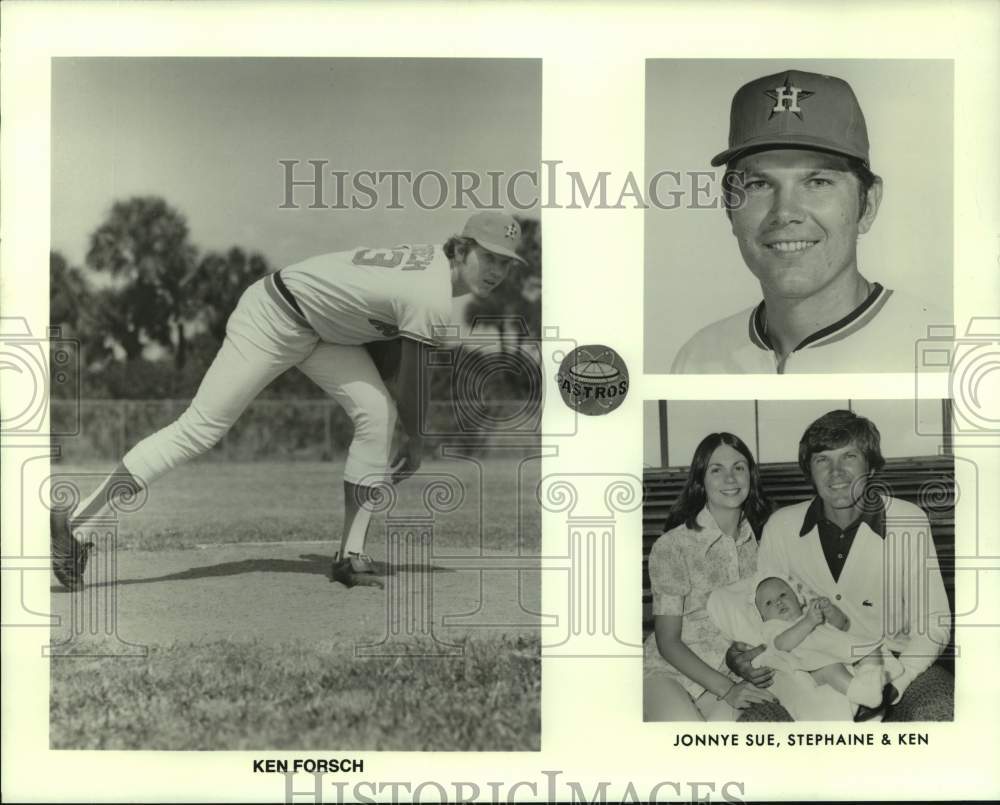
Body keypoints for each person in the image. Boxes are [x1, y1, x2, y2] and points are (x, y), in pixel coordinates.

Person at [50, 212, 527, 591]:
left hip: (321, 330)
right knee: (200, 429)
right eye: (490, 257)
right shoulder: (429, 291)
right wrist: (419, 444)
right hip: (273, 314)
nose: (498, 270)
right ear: (462, 249)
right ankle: (79, 525)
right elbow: (412, 385)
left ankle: (350, 554)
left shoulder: (426, 270)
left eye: (507, 262)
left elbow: (383, 347)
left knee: (376, 415)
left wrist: (401, 424)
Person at [671, 70, 947, 374]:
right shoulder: (697, 359)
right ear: (730, 209)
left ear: (867, 203)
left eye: (818, 182)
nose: (785, 212)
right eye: (758, 185)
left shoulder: (944, 351)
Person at [728, 410, 953, 720]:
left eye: (850, 456)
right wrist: (740, 658)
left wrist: (893, 685)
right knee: (756, 724)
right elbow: (759, 617)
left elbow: (933, 624)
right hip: (805, 671)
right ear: (810, 470)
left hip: (897, 665)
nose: (836, 472)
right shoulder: (781, 527)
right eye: (822, 459)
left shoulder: (908, 521)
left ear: (871, 465)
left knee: (940, 710)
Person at [643, 432, 775, 721]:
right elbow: (667, 642)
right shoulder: (672, 545)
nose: (730, 479)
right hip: (670, 674)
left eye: (739, 468)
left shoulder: (765, 543)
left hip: (735, 675)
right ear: (700, 480)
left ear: (750, 476)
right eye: (717, 470)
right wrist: (727, 689)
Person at [753, 575, 904, 719]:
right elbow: (782, 645)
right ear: (763, 618)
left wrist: (831, 612)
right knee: (832, 668)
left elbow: (840, 625)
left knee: (871, 650)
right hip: (811, 668)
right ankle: (863, 694)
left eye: (783, 595)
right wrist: (808, 621)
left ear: (798, 599)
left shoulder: (810, 613)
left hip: (840, 654)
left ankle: (870, 685)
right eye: (768, 603)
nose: (778, 602)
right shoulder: (773, 627)